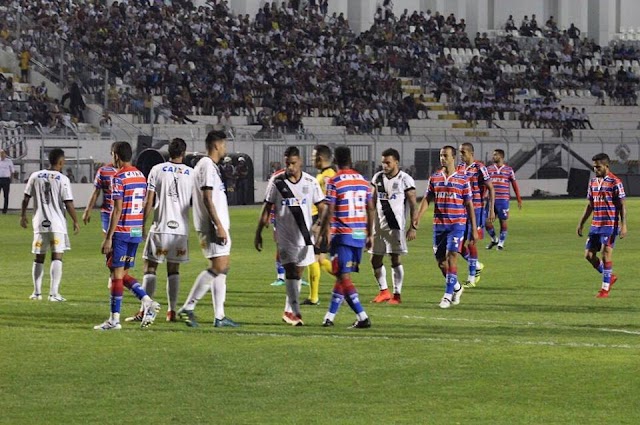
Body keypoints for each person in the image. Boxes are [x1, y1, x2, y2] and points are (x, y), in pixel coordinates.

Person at [254, 146, 325, 326]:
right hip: (285, 237)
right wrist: (258, 233)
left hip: (305, 236)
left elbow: (323, 207)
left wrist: (320, 225)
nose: (290, 167)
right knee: (291, 272)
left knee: (298, 274)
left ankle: (287, 311)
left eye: (293, 163)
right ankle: (296, 313)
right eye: (287, 164)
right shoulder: (277, 182)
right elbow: (267, 207)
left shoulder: (310, 182)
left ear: (300, 162)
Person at [94, 141, 160, 330]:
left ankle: (115, 320)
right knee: (122, 273)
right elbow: (149, 202)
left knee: (116, 274)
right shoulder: (140, 176)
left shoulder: (119, 177)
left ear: (116, 155)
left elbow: (117, 210)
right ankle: (146, 302)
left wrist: (108, 237)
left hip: (122, 231)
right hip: (136, 230)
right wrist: (141, 224)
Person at [176, 130, 238, 328]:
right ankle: (188, 307)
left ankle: (219, 316)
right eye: (224, 145)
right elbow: (207, 198)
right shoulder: (206, 166)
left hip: (216, 225)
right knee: (218, 266)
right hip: (211, 226)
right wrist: (218, 225)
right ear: (217, 145)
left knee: (223, 267)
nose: (225, 149)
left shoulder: (210, 167)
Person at [128, 138, 194, 322]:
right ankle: (171, 311)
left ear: (168, 152)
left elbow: (149, 201)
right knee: (174, 269)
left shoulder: (157, 170)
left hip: (161, 227)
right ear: (184, 153)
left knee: (150, 268)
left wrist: (140, 225)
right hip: (180, 229)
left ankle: (146, 311)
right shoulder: (191, 173)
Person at [317, 146, 374, 328]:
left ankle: (362, 316)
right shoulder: (363, 181)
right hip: (358, 233)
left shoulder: (335, 181)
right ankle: (329, 317)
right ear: (350, 159)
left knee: (343, 276)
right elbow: (370, 208)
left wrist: (323, 232)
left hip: (342, 234)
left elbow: (329, 209)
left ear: (335, 161)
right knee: (343, 275)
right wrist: (370, 233)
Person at [414, 146, 477, 309]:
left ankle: (447, 296)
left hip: (457, 224)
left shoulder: (463, 179)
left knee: (451, 256)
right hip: (439, 226)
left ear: (453, 157)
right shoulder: (434, 178)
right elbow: (427, 199)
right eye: (441, 155)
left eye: (445, 155)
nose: (442, 158)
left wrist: (474, 229)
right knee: (441, 263)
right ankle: (457, 287)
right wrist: (417, 218)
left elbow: (469, 204)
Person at [21, 148, 80, 301]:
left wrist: (22, 216)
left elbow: (26, 198)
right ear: (61, 161)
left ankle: (36, 293)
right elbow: (68, 203)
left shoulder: (35, 176)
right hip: (57, 224)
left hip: (39, 223)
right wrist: (75, 220)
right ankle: (54, 294)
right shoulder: (62, 179)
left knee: (38, 258)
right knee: (57, 256)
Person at [370, 148, 417, 305]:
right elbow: (371, 202)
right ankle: (384, 291)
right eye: (383, 162)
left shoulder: (405, 179)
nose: (385, 165)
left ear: (396, 162)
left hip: (395, 226)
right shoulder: (377, 178)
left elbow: (413, 204)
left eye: (388, 162)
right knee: (374, 259)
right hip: (378, 226)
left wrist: (413, 227)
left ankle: (397, 295)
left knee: (395, 259)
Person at [577, 153, 627, 298]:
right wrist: (581, 223)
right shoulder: (593, 182)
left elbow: (622, 204)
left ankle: (604, 289)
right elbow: (590, 205)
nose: (595, 169)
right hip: (595, 224)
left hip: (610, 225)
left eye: (598, 167)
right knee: (589, 255)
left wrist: (623, 225)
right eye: (594, 167)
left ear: (606, 166)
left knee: (606, 254)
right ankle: (609, 277)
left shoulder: (615, 182)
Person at [458, 143, 495, 288]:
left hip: (477, 209)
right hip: (461, 209)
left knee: (472, 242)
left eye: (463, 152)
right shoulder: (460, 168)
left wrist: (491, 209)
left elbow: (491, 188)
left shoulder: (480, 168)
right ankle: (477, 265)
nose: (461, 155)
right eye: (460, 153)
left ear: (471, 153)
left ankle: (471, 277)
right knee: (458, 244)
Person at [303, 144, 336, 306]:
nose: (311, 158)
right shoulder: (324, 175)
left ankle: (314, 297)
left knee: (313, 258)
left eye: (313, 156)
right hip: (319, 220)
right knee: (321, 259)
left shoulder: (328, 177)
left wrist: (320, 224)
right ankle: (345, 284)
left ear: (320, 158)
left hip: (320, 221)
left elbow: (329, 204)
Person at [82, 151, 118, 290]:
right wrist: (88, 210)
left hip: (124, 216)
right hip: (107, 214)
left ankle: (119, 275)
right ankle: (112, 274)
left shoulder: (129, 172)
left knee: (122, 247)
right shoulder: (104, 171)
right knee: (110, 245)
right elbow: (96, 191)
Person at [486, 149, 523, 250]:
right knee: (486, 222)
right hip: (491, 200)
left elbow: (514, 185)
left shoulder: (509, 170)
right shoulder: (488, 169)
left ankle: (501, 243)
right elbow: (486, 184)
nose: (493, 157)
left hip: (503, 200)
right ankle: (494, 239)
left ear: (501, 157)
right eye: (493, 155)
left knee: (503, 221)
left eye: (495, 155)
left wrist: (518, 199)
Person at [0, 149, 14, 214]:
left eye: (3, 153)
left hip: (6, 179)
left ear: (5, 154)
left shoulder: (9, 161)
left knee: (6, 195)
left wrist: (11, 179)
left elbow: (12, 171)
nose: (2, 154)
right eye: (1, 153)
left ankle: (4, 210)